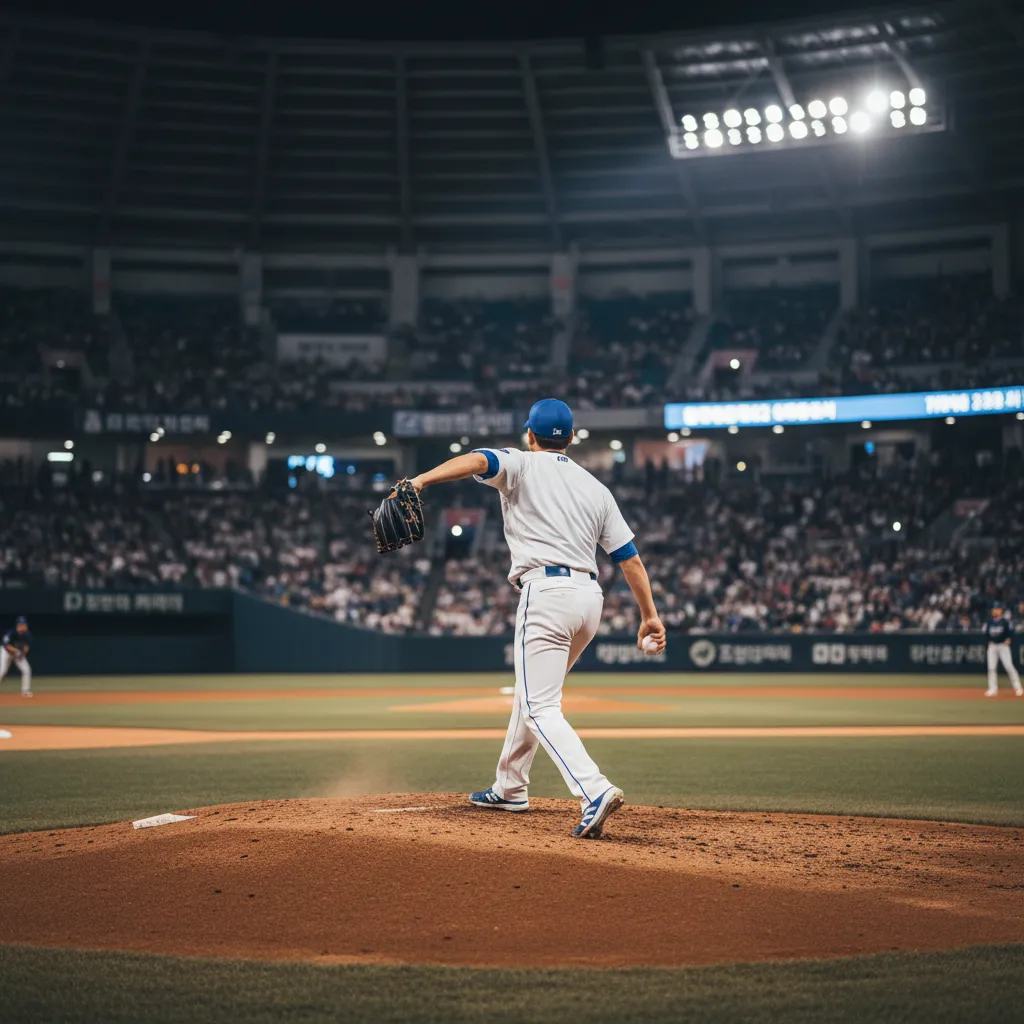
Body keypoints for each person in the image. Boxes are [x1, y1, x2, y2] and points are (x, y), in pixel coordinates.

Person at [409, 398, 666, 838]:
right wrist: (650, 616)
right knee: (532, 695)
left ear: (530, 434)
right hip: (590, 599)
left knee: (539, 705)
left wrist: (419, 481)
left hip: (546, 593)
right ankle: (511, 787)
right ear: (570, 438)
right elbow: (630, 561)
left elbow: (477, 459)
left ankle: (594, 790)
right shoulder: (595, 488)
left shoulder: (521, 463)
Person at [984, 602, 1023, 697]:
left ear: (1001, 610)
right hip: (993, 646)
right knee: (991, 668)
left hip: (1002, 646)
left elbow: (1010, 634)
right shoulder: (989, 622)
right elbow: (987, 635)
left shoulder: (1005, 622)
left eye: (997, 609)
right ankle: (993, 689)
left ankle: (1018, 687)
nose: (995, 611)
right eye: (994, 609)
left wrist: (1008, 639)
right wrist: (989, 643)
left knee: (1009, 666)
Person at [0, 616, 33, 698]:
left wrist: (22, 654)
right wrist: (16, 651)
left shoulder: (26, 634)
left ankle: (25, 690)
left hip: (17, 654)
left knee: (26, 670)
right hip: (6, 652)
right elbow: (6, 646)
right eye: (22, 624)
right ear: (18, 625)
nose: (24, 626)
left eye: (25, 624)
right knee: (2, 671)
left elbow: (26, 647)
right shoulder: (11, 633)